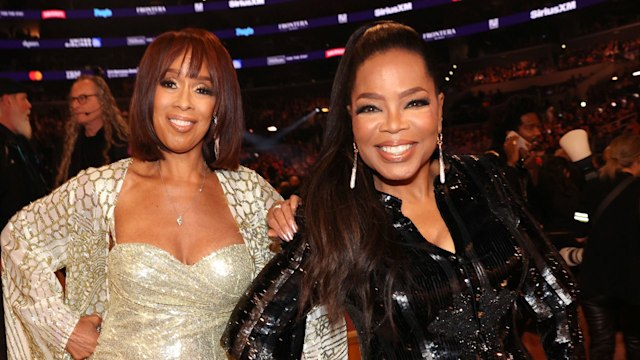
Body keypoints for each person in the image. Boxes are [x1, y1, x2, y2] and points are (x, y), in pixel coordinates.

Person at [223, 21, 585, 359]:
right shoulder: (335, 220)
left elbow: (557, 301)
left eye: (414, 102)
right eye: (371, 108)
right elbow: (251, 337)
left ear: (439, 108)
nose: (394, 125)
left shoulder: (486, 179)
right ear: (351, 120)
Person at [1, 28, 344, 360]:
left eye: (202, 89)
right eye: (170, 83)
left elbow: (313, 290)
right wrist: (65, 329)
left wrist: (300, 236)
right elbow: (17, 239)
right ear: (149, 93)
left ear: (219, 105)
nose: (184, 103)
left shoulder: (249, 193)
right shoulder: (101, 188)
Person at [0, 78, 50, 360]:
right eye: (23, 98)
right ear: (5, 100)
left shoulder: (19, 143)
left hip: (25, 263)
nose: (30, 106)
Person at [579, 133, 640, 360]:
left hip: (595, 279)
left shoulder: (594, 186)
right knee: (636, 343)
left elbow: (579, 227)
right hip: (632, 281)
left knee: (601, 346)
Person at [54, 74, 129, 187]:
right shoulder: (66, 145)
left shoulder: (123, 143)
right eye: (73, 100)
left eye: (82, 98)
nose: (74, 105)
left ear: (102, 100)